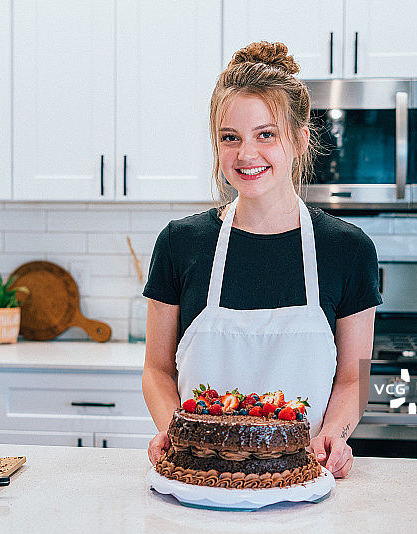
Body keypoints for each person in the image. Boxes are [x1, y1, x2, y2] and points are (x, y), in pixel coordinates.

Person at [141, 41, 382, 479]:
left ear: (299, 138)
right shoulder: (180, 243)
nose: (246, 154)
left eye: (265, 134)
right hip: (200, 484)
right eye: (229, 137)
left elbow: (352, 377)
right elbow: (156, 370)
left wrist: (336, 433)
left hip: (304, 481)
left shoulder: (348, 250)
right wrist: (176, 434)